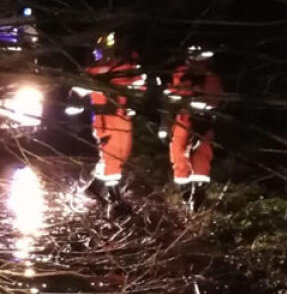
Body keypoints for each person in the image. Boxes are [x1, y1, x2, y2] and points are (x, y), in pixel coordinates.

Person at [68, 31, 146, 205]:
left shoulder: (127, 69)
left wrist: (135, 103)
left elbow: (141, 88)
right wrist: (74, 116)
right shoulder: (94, 72)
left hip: (123, 117)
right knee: (112, 156)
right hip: (105, 120)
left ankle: (95, 187)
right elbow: (76, 92)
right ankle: (114, 196)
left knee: (123, 154)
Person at [161, 44, 223, 208]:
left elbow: (214, 101)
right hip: (183, 120)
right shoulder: (180, 74)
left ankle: (198, 195)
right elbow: (171, 98)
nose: (201, 64)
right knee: (179, 153)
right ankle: (184, 193)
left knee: (202, 156)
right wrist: (165, 123)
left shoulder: (211, 78)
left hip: (203, 121)